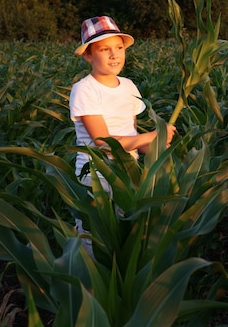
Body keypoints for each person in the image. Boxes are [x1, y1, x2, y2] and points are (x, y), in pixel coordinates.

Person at [69, 16, 176, 248]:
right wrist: (152, 135)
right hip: (96, 175)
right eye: (104, 49)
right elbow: (104, 144)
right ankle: (87, 279)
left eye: (119, 47)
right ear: (88, 55)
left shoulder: (128, 86)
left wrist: (156, 146)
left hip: (128, 170)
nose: (114, 54)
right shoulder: (84, 90)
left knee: (126, 232)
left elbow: (132, 134)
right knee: (95, 236)